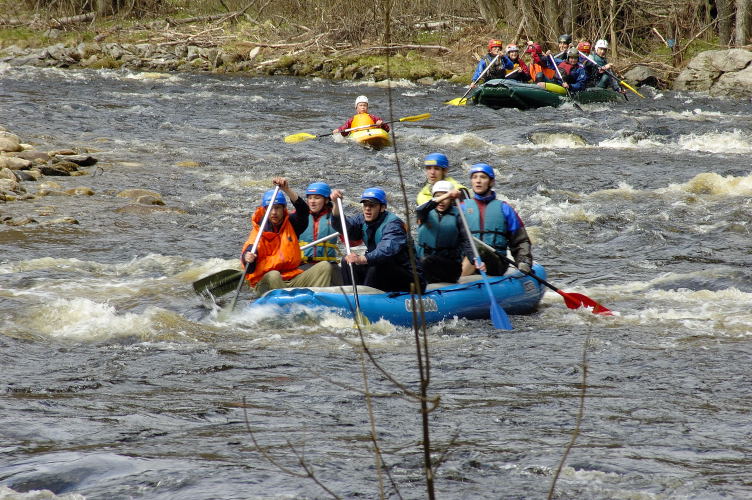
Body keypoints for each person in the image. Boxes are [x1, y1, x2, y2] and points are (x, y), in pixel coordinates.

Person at [240, 178, 337, 296]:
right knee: (274, 275)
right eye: (271, 208)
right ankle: (285, 305)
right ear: (265, 210)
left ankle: (314, 302)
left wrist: (286, 189)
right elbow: (249, 266)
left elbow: (303, 211)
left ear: (284, 209)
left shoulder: (291, 224)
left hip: (292, 278)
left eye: (278, 208)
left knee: (324, 267)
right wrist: (247, 258)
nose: (274, 212)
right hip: (266, 283)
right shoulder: (258, 232)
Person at [331, 187, 425, 293]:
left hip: (411, 277)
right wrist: (335, 204)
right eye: (365, 205)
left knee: (375, 266)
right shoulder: (361, 219)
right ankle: (352, 295)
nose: (367, 208)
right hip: (383, 270)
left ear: (382, 208)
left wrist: (361, 259)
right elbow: (344, 227)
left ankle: (366, 300)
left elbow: (386, 249)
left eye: (372, 205)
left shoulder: (393, 225)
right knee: (346, 261)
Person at [460, 163, 533, 276]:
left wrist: (524, 261)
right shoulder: (462, 207)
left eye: (483, 177)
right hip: (468, 259)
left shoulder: (505, 208)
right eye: (474, 177)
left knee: (478, 251)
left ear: (491, 182)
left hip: (496, 263)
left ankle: (459, 281)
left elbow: (520, 241)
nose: (478, 181)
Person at [416, 181, 476, 284]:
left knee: (426, 261)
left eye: (446, 198)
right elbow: (419, 210)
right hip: (427, 264)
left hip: (450, 268)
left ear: (452, 200)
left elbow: (467, 241)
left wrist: (474, 260)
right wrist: (447, 195)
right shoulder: (425, 213)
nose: (442, 201)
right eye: (439, 197)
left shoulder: (459, 216)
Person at [299, 182, 341, 265]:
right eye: (310, 198)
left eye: (317, 198)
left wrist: (336, 203)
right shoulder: (299, 216)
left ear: (326, 200)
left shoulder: (335, 218)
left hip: (328, 264)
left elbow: (353, 242)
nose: (312, 201)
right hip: (303, 264)